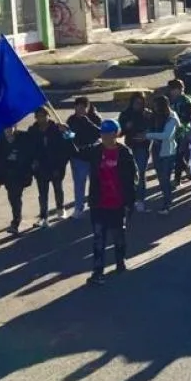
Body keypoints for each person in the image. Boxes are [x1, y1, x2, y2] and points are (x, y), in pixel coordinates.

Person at [72, 119, 139, 285]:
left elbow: (133, 178)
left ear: (116, 134)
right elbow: (76, 153)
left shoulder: (124, 153)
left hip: (117, 203)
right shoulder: (95, 151)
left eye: (109, 134)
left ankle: (120, 261)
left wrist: (130, 201)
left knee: (118, 236)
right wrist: (68, 136)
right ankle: (98, 271)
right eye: (103, 134)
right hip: (98, 202)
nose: (106, 137)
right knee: (98, 238)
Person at [27, 106, 69, 226]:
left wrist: (66, 131)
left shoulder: (57, 128)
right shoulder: (33, 130)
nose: (41, 118)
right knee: (43, 193)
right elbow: (29, 148)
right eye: (38, 116)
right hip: (41, 167)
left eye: (43, 115)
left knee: (58, 189)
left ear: (48, 115)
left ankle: (60, 209)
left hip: (56, 165)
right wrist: (33, 163)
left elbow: (68, 142)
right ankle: (43, 216)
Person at [0, 124, 33, 235]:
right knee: (13, 198)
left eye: (11, 127)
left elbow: (29, 153)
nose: (9, 130)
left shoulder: (23, 138)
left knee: (15, 196)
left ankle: (16, 221)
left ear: (15, 127)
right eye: (7, 127)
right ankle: (17, 218)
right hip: (7, 175)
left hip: (20, 174)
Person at [66, 97, 102, 217]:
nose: (80, 110)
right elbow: (70, 136)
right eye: (78, 107)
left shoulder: (95, 118)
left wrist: (87, 122)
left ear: (88, 108)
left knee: (96, 182)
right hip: (78, 155)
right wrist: (65, 132)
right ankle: (78, 207)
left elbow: (100, 133)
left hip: (93, 154)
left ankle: (96, 205)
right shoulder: (71, 120)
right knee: (79, 183)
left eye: (83, 107)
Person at [145, 95, 180, 214]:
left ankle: (167, 203)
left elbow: (166, 135)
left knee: (165, 177)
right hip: (156, 150)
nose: (154, 107)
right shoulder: (155, 116)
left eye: (156, 105)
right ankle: (167, 197)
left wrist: (148, 135)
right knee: (161, 178)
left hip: (168, 151)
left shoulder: (172, 117)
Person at [119, 92, 153, 212]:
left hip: (143, 146)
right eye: (136, 103)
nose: (139, 105)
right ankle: (129, 200)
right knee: (129, 174)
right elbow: (119, 132)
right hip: (129, 146)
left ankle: (140, 200)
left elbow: (154, 127)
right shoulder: (125, 114)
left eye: (141, 103)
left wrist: (147, 133)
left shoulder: (147, 114)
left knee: (141, 173)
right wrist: (126, 127)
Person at [166, 80, 191, 184]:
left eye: (173, 89)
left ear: (179, 89)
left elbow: (190, 116)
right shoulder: (174, 99)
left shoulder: (185, 100)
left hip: (184, 131)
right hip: (176, 130)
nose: (171, 91)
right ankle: (186, 171)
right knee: (179, 156)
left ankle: (177, 179)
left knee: (178, 155)